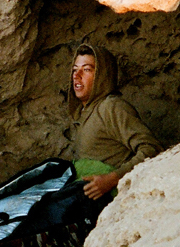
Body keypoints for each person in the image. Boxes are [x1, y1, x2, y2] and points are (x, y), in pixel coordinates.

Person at [67, 43, 162, 201]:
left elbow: (152, 149)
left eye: (87, 69)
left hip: (109, 199)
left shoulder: (111, 107)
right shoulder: (82, 112)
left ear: (102, 76)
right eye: (75, 70)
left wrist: (112, 179)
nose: (77, 76)